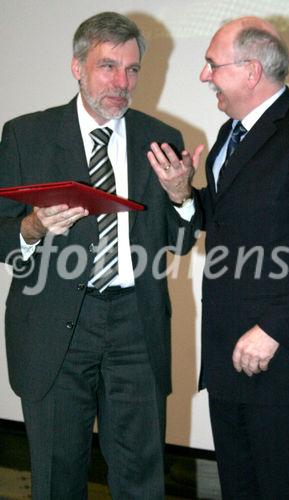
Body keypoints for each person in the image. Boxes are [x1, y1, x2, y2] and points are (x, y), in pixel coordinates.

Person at [148, 16, 289, 500]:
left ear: (250, 71)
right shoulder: (229, 135)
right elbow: (224, 220)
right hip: (229, 361)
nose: (203, 76)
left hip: (286, 362)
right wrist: (183, 194)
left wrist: (272, 332)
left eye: (210, 65)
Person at [0, 11, 201, 499]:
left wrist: (182, 197)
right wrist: (31, 227)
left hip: (136, 323)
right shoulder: (26, 135)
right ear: (77, 67)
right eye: (108, 66)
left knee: (140, 479)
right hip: (54, 327)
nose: (122, 82)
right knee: (56, 477)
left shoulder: (162, 140)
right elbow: (3, 235)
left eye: (132, 70)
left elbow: (178, 242)